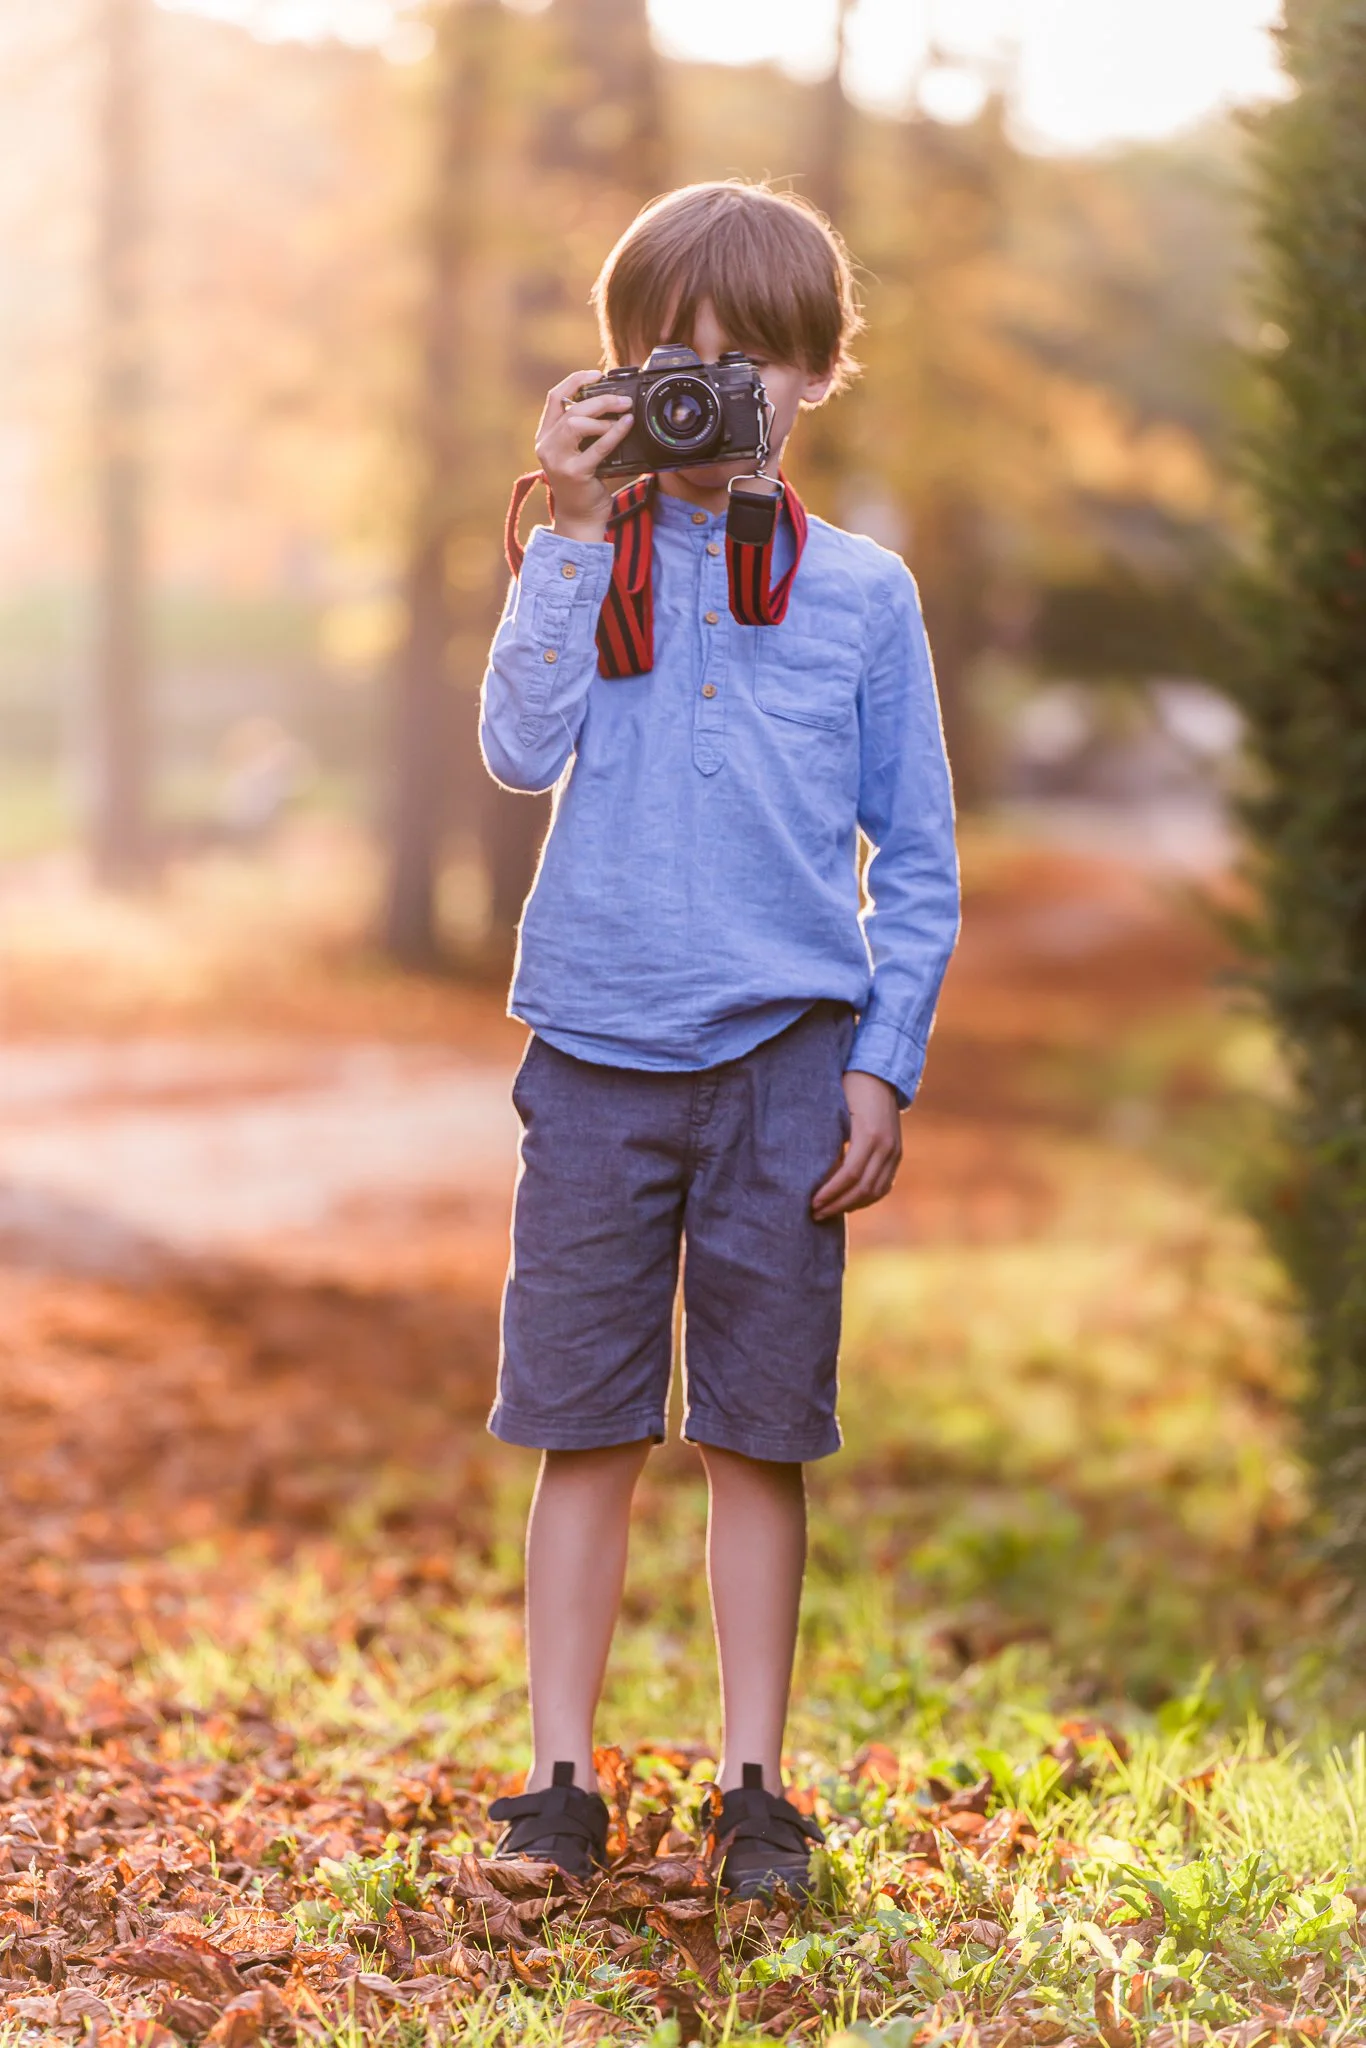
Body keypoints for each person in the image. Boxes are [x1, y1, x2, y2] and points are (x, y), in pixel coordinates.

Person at [478, 179, 960, 1899]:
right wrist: (566, 520)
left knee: (760, 1429)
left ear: (812, 378)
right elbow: (519, 751)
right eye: (668, 357)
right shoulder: (579, 556)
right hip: (597, 1048)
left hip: (781, 1057)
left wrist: (880, 1060)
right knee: (582, 1422)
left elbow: (917, 854)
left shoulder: (861, 595)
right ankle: (557, 1781)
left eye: (741, 361)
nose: (703, 390)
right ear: (620, 370)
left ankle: (756, 1783)